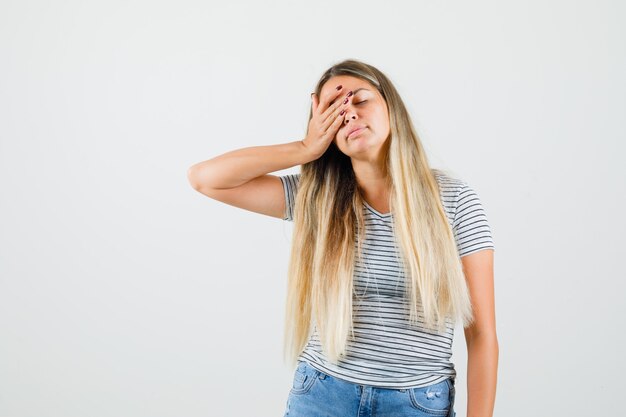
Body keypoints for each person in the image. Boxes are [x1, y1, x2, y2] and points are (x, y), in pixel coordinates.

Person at [187, 59, 497, 417]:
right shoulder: (316, 198)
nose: (347, 113)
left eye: (360, 99)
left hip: (417, 403)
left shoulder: (453, 200)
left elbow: (482, 335)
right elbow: (204, 178)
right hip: (323, 396)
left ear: (391, 109)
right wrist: (304, 148)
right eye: (333, 110)